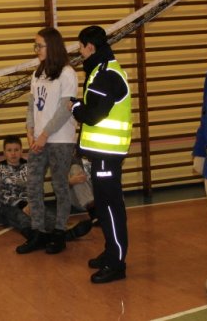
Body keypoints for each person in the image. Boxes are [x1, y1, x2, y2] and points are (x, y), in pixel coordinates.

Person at [71, 25, 132, 284]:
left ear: (90, 47)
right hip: (103, 154)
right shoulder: (101, 70)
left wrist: (75, 106)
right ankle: (110, 252)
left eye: (80, 47)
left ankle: (117, 263)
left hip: (108, 154)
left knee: (110, 206)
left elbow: (94, 115)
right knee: (104, 207)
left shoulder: (106, 74)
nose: (80, 52)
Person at [16, 27, 78, 255]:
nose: (36, 49)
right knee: (33, 185)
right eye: (35, 45)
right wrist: (30, 130)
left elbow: (64, 109)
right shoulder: (37, 73)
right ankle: (39, 232)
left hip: (60, 139)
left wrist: (44, 135)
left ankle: (59, 232)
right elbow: (31, 105)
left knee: (60, 185)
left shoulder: (67, 73)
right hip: (38, 140)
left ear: (51, 46)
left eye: (39, 45)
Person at [0, 135, 91, 240]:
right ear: (4, 152)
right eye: (9, 150)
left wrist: (34, 203)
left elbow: (37, 187)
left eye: (16, 150)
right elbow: (0, 193)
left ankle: (66, 234)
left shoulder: (29, 167)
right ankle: (37, 238)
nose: (13, 153)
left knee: (49, 218)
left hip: (31, 203)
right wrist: (22, 205)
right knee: (23, 219)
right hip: (9, 206)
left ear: (21, 151)